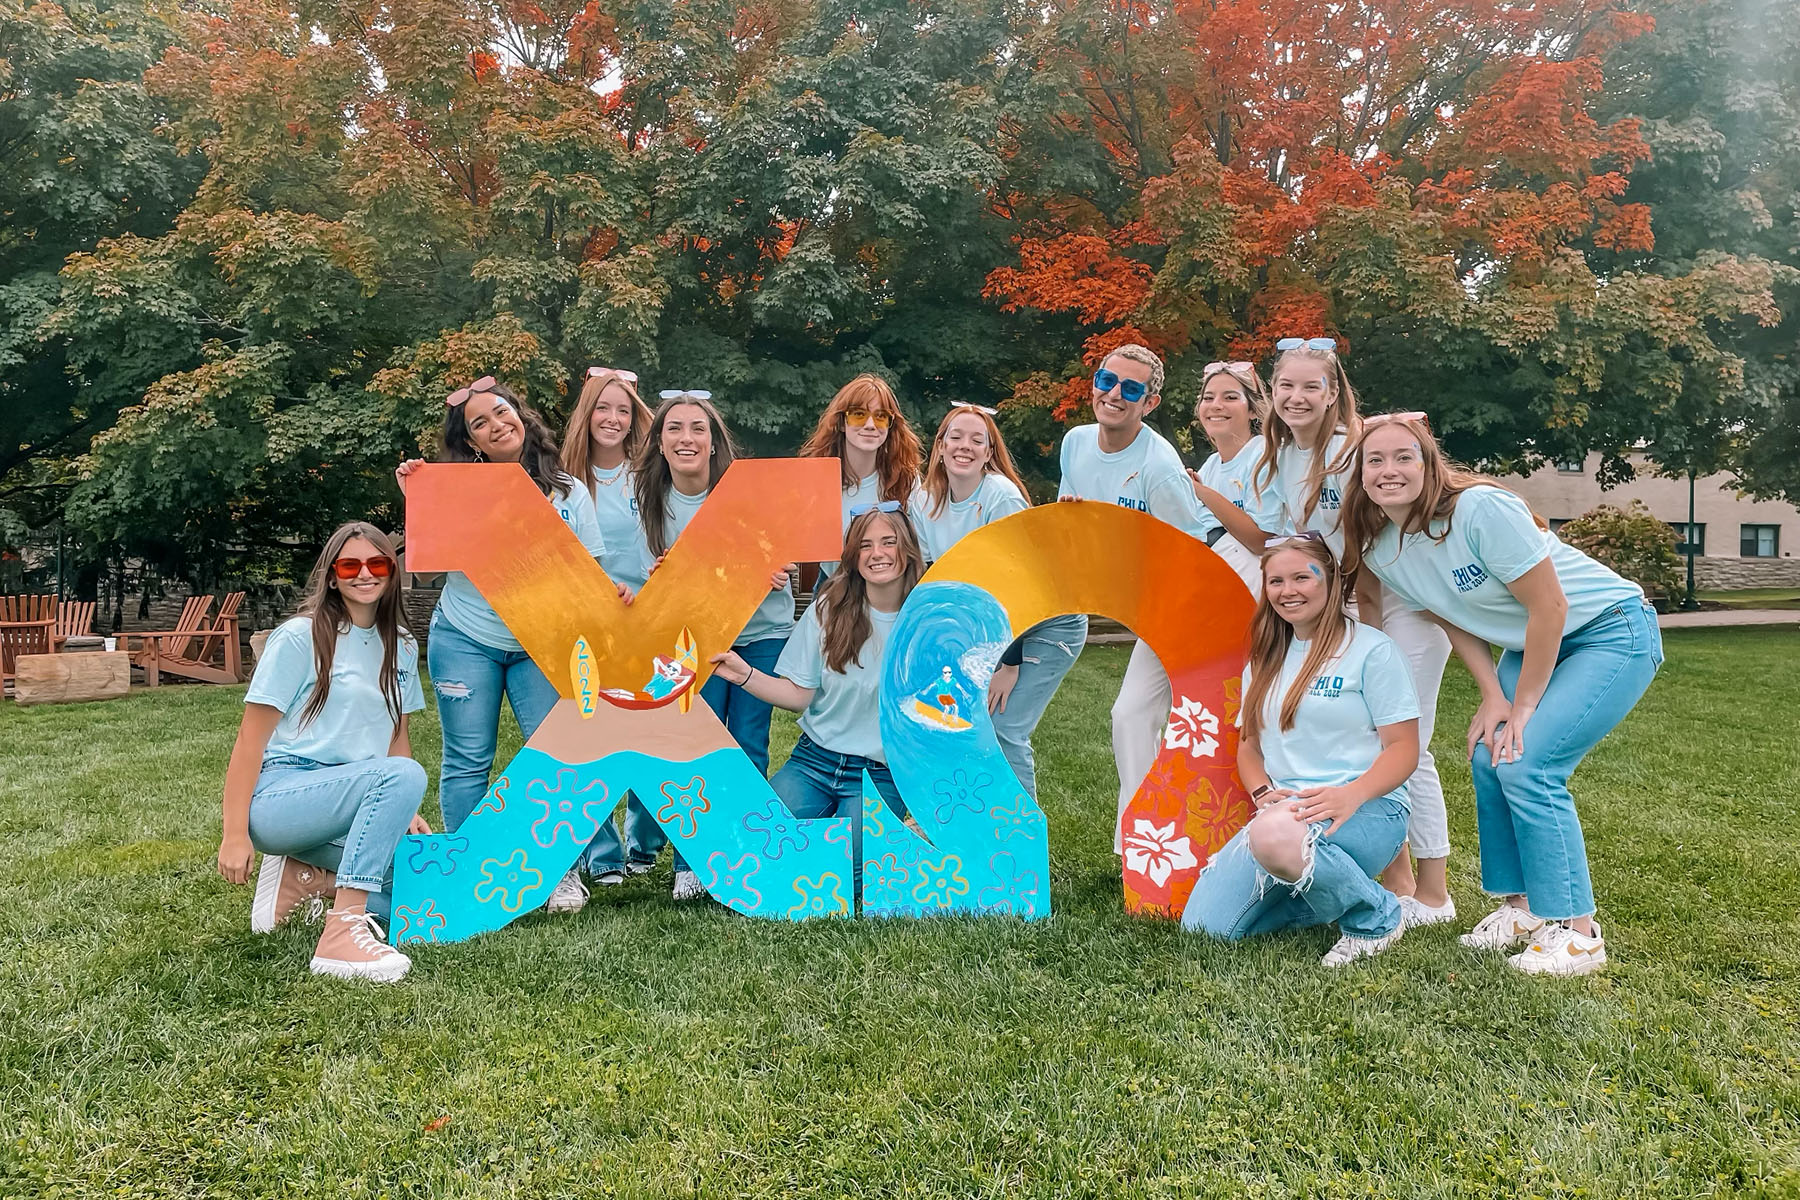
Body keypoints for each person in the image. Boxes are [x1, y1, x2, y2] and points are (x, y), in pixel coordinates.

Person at [1342, 416, 1663, 975]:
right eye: (1376, 460)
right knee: (1490, 755)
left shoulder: (1480, 510)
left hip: (1609, 631)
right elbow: (1451, 615)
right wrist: (1493, 697)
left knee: (1527, 763)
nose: (1389, 470)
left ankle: (1579, 933)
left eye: (1404, 457)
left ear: (1429, 464)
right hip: (1530, 645)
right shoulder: (1383, 549)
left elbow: (1551, 608)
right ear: (1361, 474)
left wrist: (1524, 707)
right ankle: (1523, 910)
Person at [1190, 339, 1456, 927]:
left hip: (1397, 604)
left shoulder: (1350, 449)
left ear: (1333, 393)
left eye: (1312, 386)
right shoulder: (1280, 454)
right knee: (1359, 740)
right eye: (1287, 386)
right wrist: (1207, 497)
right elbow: (1273, 544)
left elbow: (1368, 538)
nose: (1297, 396)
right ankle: (1397, 879)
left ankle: (1431, 895)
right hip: (1349, 606)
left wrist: (1370, 634)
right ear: (1272, 394)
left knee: (1409, 745)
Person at [396, 377, 618, 914]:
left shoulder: (568, 489)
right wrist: (419, 500)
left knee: (553, 757)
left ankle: (558, 872)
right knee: (469, 760)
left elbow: (588, 572)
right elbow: (422, 572)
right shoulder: (456, 491)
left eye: (501, 412)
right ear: (471, 441)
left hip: (541, 643)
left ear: (519, 413)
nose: (496, 425)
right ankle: (467, 867)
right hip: (467, 637)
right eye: (479, 424)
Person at [1181, 534, 1420, 967]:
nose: (1287, 591)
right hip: (1287, 814)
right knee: (1205, 927)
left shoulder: (1372, 650)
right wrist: (1261, 795)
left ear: (1330, 580)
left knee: (1273, 835)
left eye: (1301, 578)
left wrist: (1353, 793)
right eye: (1276, 581)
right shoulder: (1266, 658)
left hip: (1366, 809)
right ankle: (1331, 891)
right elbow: (1250, 747)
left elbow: (1404, 750)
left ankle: (1377, 915)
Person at [215, 522, 429, 983]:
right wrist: (235, 833)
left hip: (358, 799)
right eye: (350, 565)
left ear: (392, 571)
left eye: (377, 564)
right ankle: (342, 935)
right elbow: (249, 742)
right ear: (332, 576)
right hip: (283, 796)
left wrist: (404, 811)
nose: (364, 575)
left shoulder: (403, 647)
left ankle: (313, 881)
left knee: (421, 889)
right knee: (405, 774)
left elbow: (396, 736)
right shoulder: (299, 637)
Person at [635, 389, 797, 900]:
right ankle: (692, 862)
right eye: (675, 429)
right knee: (695, 747)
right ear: (660, 443)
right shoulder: (650, 503)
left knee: (748, 745)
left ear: (713, 441)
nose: (687, 438)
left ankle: (742, 854)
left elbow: (787, 559)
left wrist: (779, 569)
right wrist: (659, 579)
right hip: (695, 640)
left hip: (759, 635)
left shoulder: (748, 494)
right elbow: (650, 588)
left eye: (697, 429)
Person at [1058, 343, 1218, 853]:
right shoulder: (1075, 443)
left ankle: (1199, 842)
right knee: (1130, 717)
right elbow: (1073, 520)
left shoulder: (1160, 466)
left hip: (1191, 603)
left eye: (1131, 389)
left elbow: (1191, 552)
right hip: (1143, 604)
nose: (1114, 395)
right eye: (1108, 380)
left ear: (1149, 403)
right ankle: (1138, 846)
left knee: (1207, 729)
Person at [709, 504, 922, 838]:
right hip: (815, 762)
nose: (877, 553)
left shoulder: (926, 621)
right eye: (865, 545)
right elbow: (797, 695)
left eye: (888, 542)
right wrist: (742, 674)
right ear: (853, 556)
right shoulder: (829, 610)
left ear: (908, 549)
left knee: (851, 877)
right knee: (759, 845)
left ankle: (903, 834)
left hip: (880, 773)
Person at [907, 402, 1086, 797]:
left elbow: (1019, 586)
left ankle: (1021, 840)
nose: (964, 446)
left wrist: (1008, 664)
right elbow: (930, 578)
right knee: (956, 720)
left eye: (977, 440)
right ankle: (971, 820)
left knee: (1005, 727)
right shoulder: (923, 501)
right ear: (939, 446)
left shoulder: (1001, 497)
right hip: (989, 622)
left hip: (1046, 621)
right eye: (955, 437)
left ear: (989, 453)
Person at [555, 366, 659, 905]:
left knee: (650, 725)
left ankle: (646, 844)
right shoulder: (562, 478)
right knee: (590, 733)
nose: (612, 419)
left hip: (650, 615)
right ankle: (601, 853)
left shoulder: (651, 473)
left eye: (623, 409)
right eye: (602, 408)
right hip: (588, 620)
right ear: (586, 413)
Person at [798, 374, 923, 575]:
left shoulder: (906, 479)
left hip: (891, 588)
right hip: (834, 585)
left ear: (890, 426)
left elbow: (917, 550)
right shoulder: (815, 480)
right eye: (859, 414)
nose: (871, 425)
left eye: (881, 417)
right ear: (840, 423)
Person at [1190, 360, 1269, 591]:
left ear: (1253, 410)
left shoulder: (1264, 455)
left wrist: (1201, 492)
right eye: (1208, 398)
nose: (1216, 405)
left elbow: (1261, 541)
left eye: (1230, 398)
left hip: (1265, 591)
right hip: (1222, 588)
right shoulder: (1210, 466)